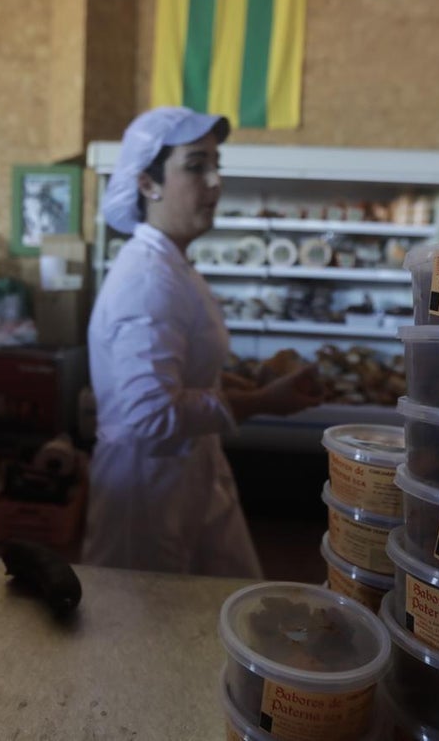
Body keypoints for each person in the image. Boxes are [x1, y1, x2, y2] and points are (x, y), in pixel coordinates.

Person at [83, 107, 324, 578]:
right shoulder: (148, 280)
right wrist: (260, 402)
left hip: (189, 469)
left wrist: (245, 380)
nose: (215, 182)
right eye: (196, 167)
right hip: (147, 488)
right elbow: (150, 416)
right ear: (147, 184)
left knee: (217, 608)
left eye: (217, 166)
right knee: (144, 636)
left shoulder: (174, 266)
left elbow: (184, 371)